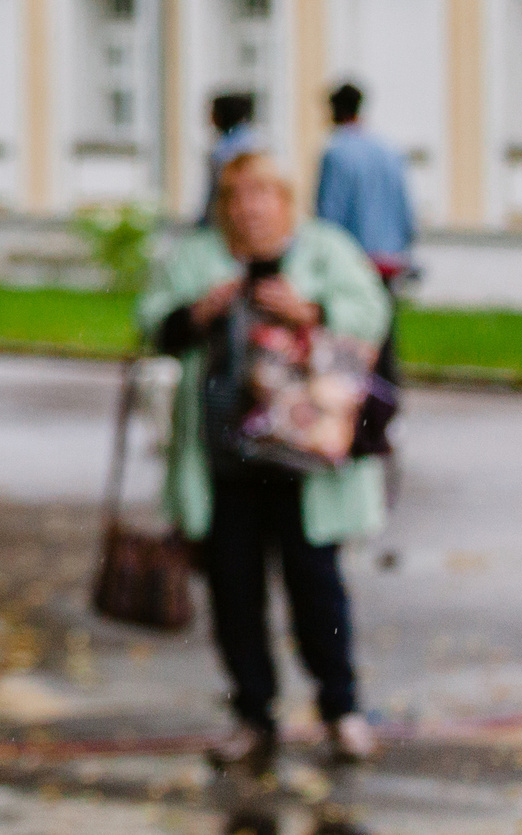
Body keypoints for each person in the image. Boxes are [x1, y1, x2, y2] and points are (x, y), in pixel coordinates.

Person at [138, 152, 389, 772]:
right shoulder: (197, 258)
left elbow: (372, 319)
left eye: (261, 194)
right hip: (223, 463)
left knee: (318, 592)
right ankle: (253, 713)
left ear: (285, 200)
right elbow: (153, 326)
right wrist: (200, 311)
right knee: (233, 592)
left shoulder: (327, 251)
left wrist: (310, 312)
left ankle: (341, 708)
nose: (248, 208)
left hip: (307, 464)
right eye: (235, 196)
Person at [315, 83, 415, 273]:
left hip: (352, 258)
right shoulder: (389, 149)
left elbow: (329, 213)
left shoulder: (336, 153)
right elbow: (405, 206)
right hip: (391, 256)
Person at [199, 91, 264, 227]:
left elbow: (216, 194)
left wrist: (203, 225)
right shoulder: (256, 141)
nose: (210, 119)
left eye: (213, 112)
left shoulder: (224, 151)